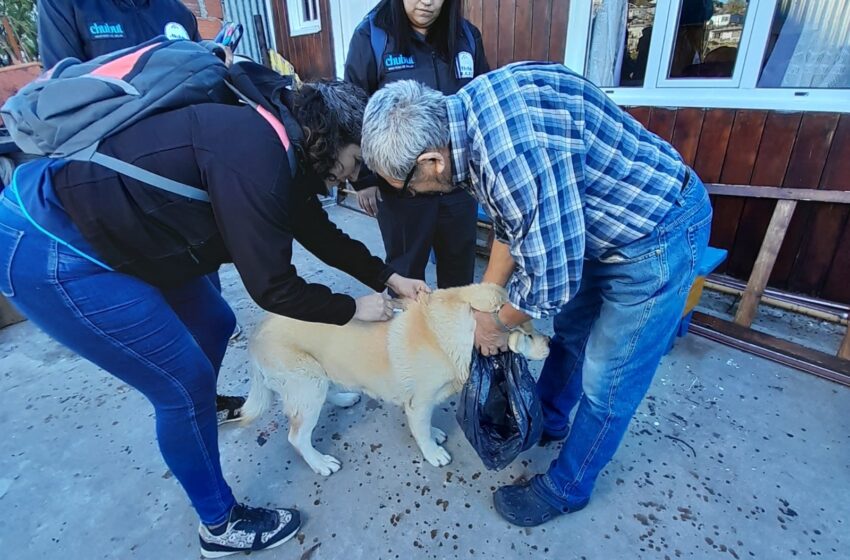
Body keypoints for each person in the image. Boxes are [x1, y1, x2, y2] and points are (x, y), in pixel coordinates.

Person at [0, 77, 428, 556]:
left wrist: (387, 279)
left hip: (126, 228)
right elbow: (273, 288)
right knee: (182, 385)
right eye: (353, 163)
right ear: (331, 138)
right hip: (55, 245)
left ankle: (198, 410)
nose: (350, 178)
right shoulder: (256, 159)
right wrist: (353, 307)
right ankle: (219, 526)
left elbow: (319, 232)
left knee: (214, 323)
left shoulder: (285, 139)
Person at [360, 63, 712, 527]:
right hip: (596, 230)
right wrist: (486, 299)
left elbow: (551, 283)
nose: (415, 196)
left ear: (431, 162)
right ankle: (548, 417)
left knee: (609, 378)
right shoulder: (465, 117)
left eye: (407, 187)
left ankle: (568, 487)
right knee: (571, 334)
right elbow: (514, 225)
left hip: (654, 234)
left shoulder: (510, 154)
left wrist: (496, 322)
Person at [36, 0, 245, 420]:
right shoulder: (66, 7)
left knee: (211, 319)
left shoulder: (178, 15)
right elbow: (60, 97)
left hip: (182, 189)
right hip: (115, 193)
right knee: (163, 332)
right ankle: (184, 402)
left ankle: (204, 396)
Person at [344, 0, 489, 292]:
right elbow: (355, 112)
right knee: (405, 271)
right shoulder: (372, 35)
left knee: (459, 271)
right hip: (402, 185)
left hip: (459, 181)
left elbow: (482, 102)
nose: (427, 1)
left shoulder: (467, 36)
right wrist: (364, 180)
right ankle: (406, 336)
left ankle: (454, 336)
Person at [38, 0, 202, 69]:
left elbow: (205, 76)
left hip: (183, 131)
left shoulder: (178, 13)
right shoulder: (63, 4)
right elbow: (61, 84)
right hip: (110, 134)